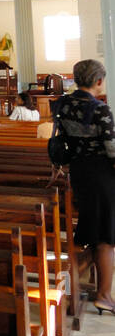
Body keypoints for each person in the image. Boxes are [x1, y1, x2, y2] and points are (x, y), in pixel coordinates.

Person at [51, 59, 115, 314]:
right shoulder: (100, 109)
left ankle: (67, 289)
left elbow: (61, 140)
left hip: (78, 172)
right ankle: (104, 295)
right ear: (99, 81)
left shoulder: (62, 105)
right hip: (101, 175)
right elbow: (111, 151)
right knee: (107, 239)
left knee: (87, 235)